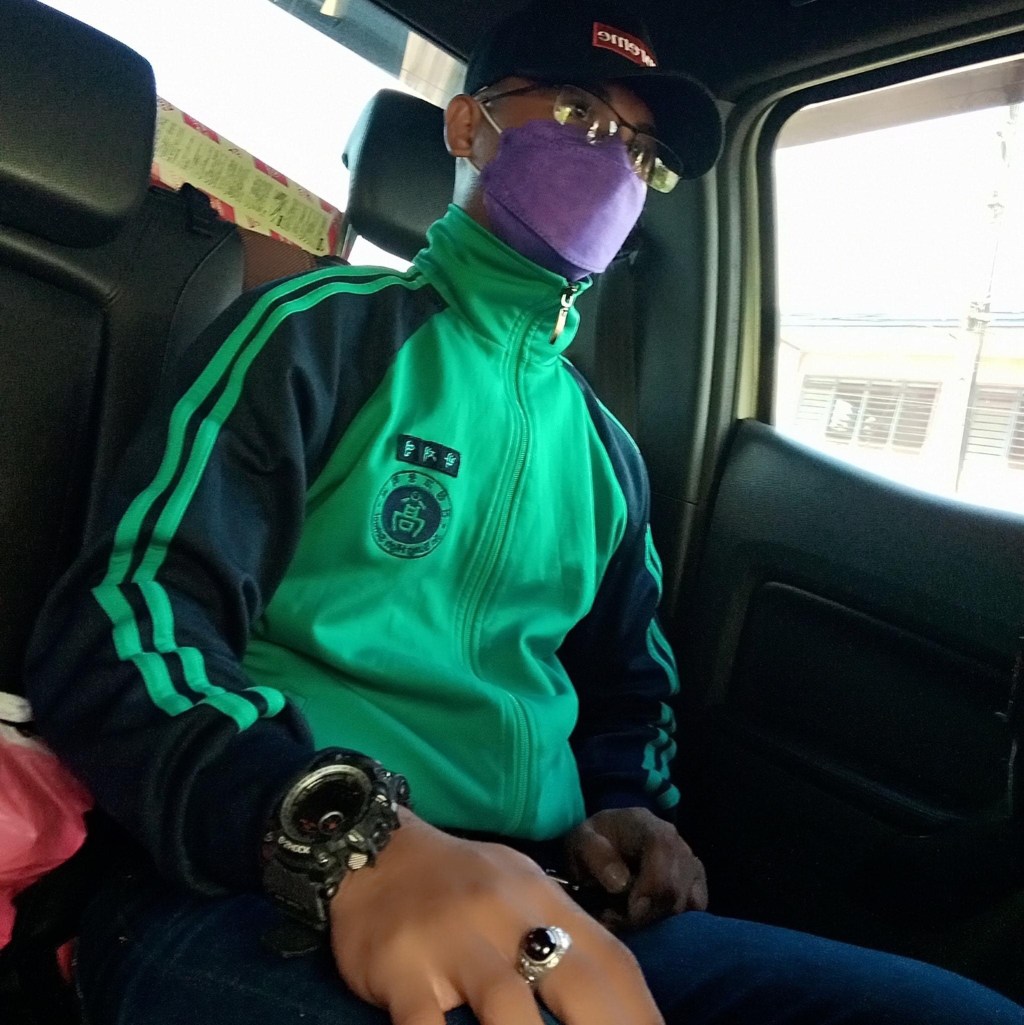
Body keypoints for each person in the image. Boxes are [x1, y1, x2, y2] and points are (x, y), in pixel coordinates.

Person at [23, 2, 1024, 1023]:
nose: (616, 162)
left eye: (643, 153)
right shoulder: (319, 335)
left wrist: (627, 805)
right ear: (469, 126)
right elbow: (127, 620)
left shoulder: (608, 455)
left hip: (545, 901)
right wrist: (341, 830)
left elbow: (630, 690)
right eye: (582, 114)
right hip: (268, 877)